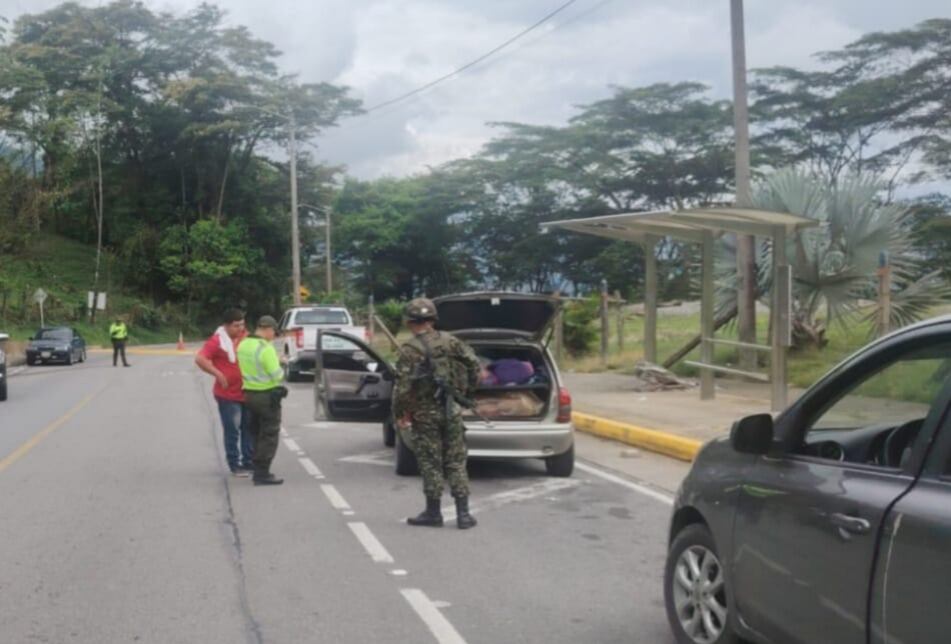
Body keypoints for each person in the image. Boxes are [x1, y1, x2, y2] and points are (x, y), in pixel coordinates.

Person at [393, 298, 481, 529]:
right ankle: (464, 515)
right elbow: (474, 365)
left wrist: (401, 414)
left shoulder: (410, 350)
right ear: (432, 320)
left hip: (424, 414)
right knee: (456, 461)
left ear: (411, 322)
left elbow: (402, 388)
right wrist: (468, 395)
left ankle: (433, 513)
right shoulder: (451, 341)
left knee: (431, 463)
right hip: (452, 409)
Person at [196, 308, 254, 477]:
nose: (240, 329)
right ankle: (234, 464)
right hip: (228, 395)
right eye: (236, 326)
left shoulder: (245, 338)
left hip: (247, 391)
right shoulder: (217, 341)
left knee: (248, 428)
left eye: (242, 325)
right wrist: (217, 373)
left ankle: (248, 461)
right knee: (232, 430)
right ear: (226, 326)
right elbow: (200, 358)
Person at [236, 315, 286, 486]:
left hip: (249, 395)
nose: (274, 336)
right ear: (268, 329)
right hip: (266, 397)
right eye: (274, 332)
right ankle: (262, 473)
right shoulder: (266, 348)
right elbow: (277, 375)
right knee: (269, 434)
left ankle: (256, 467)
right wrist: (282, 364)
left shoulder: (243, 345)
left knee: (256, 433)